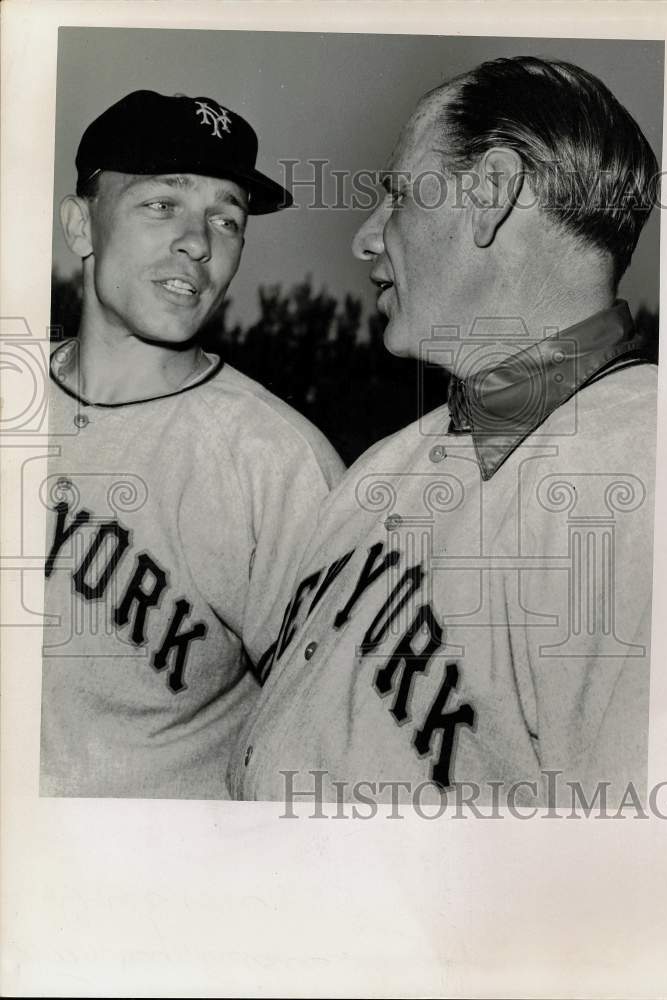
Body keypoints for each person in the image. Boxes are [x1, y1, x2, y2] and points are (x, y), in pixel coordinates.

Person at [228, 57, 658, 809]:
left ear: (490, 193)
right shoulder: (381, 467)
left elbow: (637, 885)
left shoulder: (654, 472)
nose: (366, 239)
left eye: (395, 194)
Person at [41, 90, 344, 799]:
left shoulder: (274, 463)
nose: (198, 243)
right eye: (162, 204)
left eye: (226, 219)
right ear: (80, 225)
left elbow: (334, 740)